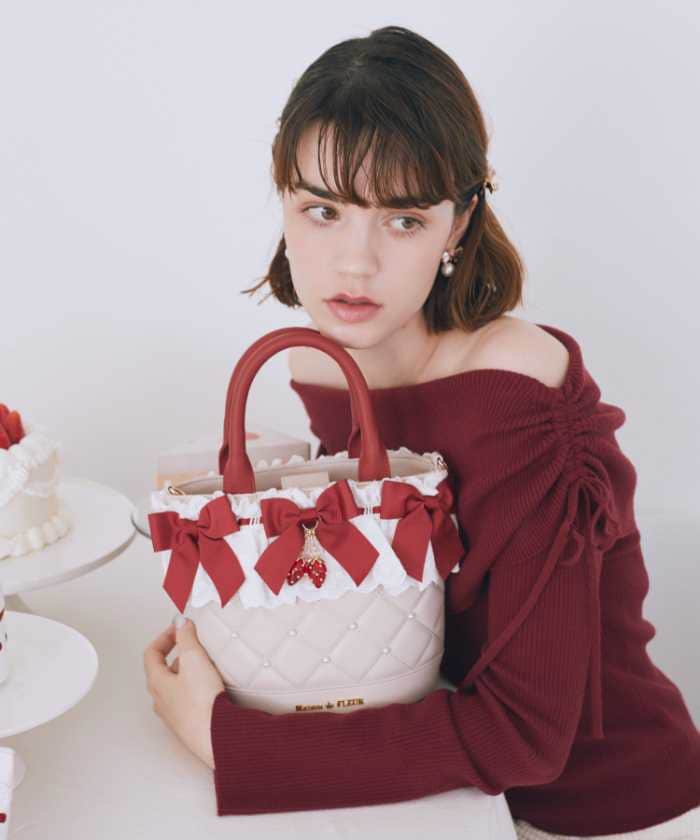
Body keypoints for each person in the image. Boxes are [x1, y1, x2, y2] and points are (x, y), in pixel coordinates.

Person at [143, 25, 700, 837]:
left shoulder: (517, 384)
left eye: (403, 219)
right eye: (322, 210)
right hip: (452, 803)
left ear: (459, 223)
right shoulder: (323, 367)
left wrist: (227, 741)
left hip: (606, 812)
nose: (354, 263)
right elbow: (389, 603)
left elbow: (525, 733)